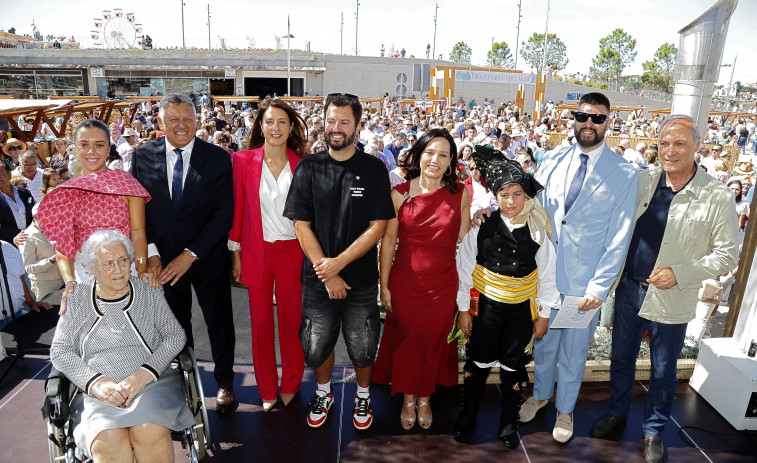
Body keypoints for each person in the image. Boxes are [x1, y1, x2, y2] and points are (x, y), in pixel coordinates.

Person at [590, 115, 739, 463]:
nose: (670, 151)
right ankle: (617, 413)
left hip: (673, 297)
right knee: (622, 359)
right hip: (629, 289)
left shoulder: (717, 196)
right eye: (664, 143)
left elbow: (727, 254)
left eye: (680, 143)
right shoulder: (643, 180)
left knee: (663, 371)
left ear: (698, 147)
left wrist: (682, 272)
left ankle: (654, 430)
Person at [519, 93, 638, 443]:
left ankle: (565, 409)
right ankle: (541, 394)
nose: (589, 123)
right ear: (574, 118)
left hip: (582, 286)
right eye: (583, 116)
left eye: (597, 118)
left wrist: (598, 288)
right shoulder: (551, 159)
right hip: (546, 278)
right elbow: (533, 211)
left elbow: (620, 236)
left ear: (608, 123)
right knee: (543, 341)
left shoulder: (624, 173)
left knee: (573, 350)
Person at [283, 93, 394, 431]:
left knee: (363, 349)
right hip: (318, 282)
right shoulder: (309, 167)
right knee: (316, 349)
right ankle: (323, 392)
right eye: (331, 120)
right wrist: (326, 271)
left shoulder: (374, 168)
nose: (336, 128)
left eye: (344, 121)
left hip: (360, 281)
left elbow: (379, 227)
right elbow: (300, 224)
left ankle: (363, 395)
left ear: (358, 126)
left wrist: (338, 264)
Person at [131, 93, 237, 415]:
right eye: (173, 119)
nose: (181, 125)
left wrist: (190, 254)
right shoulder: (141, 156)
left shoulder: (218, 158)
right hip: (162, 262)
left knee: (219, 323)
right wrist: (149, 253)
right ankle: (186, 383)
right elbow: (138, 213)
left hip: (207, 260)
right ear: (160, 122)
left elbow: (224, 214)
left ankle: (224, 382)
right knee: (175, 329)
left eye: (187, 119)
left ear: (197, 120)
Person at [49, 230, 194, 462]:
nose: (118, 269)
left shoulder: (148, 289)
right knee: (108, 442)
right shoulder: (77, 298)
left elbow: (175, 336)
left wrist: (143, 375)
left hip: (152, 383)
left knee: (150, 431)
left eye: (123, 260)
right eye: (107, 263)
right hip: (97, 392)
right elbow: (59, 351)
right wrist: (96, 383)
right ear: (91, 269)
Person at [453, 151, 560, 448]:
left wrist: (544, 314)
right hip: (486, 309)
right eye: (504, 194)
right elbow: (464, 269)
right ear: (495, 196)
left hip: (520, 313)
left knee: (514, 367)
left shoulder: (538, 231)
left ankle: (508, 423)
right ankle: (468, 415)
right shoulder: (481, 226)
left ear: (526, 196)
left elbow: (548, 277)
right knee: (477, 365)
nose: (511, 201)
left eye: (517, 194)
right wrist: (463, 309)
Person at [372, 128, 470, 431]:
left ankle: (425, 395)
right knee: (407, 340)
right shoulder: (398, 194)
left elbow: (466, 244)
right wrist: (384, 285)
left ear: (452, 160)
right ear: (419, 154)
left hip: (444, 282)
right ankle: (409, 396)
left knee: (433, 340)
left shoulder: (461, 193)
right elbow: (388, 243)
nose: (435, 159)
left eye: (443, 154)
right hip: (405, 281)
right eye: (430, 152)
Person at [229, 98, 307, 412]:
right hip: (255, 251)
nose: (275, 128)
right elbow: (238, 210)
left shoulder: (303, 164)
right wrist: (235, 254)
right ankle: (266, 388)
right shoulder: (243, 160)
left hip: (293, 253)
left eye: (282, 122)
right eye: (269, 121)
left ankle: (291, 382)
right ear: (260, 125)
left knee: (292, 321)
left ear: (291, 128)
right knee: (260, 324)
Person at [38, 119, 153, 313]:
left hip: (126, 271)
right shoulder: (66, 192)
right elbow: (62, 244)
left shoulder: (127, 184)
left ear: (109, 147)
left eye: (99, 145)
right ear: (75, 147)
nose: (91, 152)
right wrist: (70, 282)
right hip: (86, 276)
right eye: (84, 144)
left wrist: (141, 271)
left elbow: (138, 233)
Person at [20, 203, 64, 300]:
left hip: (65, 280)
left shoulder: (57, 228)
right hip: (44, 285)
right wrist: (50, 261)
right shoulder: (26, 237)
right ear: (35, 217)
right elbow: (28, 267)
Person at [0, 157, 34, 246]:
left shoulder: (24, 193)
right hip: (8, 244)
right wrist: (15, 235)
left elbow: (32, 214)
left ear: (9, 174)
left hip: (31, 239)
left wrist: (31, 232)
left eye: (1, 173)